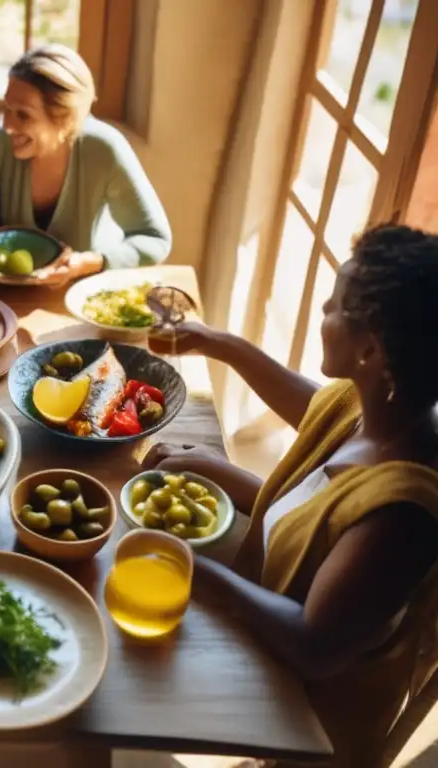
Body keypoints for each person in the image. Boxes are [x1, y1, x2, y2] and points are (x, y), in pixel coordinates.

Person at [143, 224, 438, 765]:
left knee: (125, 711)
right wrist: (217, 344)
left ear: (370, 349)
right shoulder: (382, 409)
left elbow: (313, 647)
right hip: (273, 665)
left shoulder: (402, 513)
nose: (321, 316)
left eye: (333, 309)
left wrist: (189, 568)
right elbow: (313, 445)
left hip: (304, 730)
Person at [0, 44, 170, 285]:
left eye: (23, 115)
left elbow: (155, 239)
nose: (7, 126)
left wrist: (92, 262)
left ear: (66, 118)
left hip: (83, 295)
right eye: (6, 108)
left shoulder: (104, 149)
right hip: (4, 301)